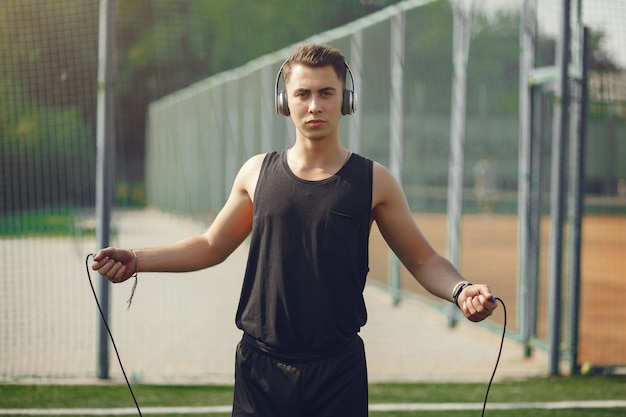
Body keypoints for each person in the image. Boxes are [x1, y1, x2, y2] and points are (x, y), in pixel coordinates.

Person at [92, 43, 497, 417]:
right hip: (260, 369)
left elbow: (423, 259)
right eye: (303, 94)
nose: (314, 105)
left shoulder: (374, 181)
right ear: (284, 102)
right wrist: (139, 260)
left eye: (326, 93)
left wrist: (461, 291)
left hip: (338, 372)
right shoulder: (257, 172)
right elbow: (211, 245)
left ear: (346, 100)